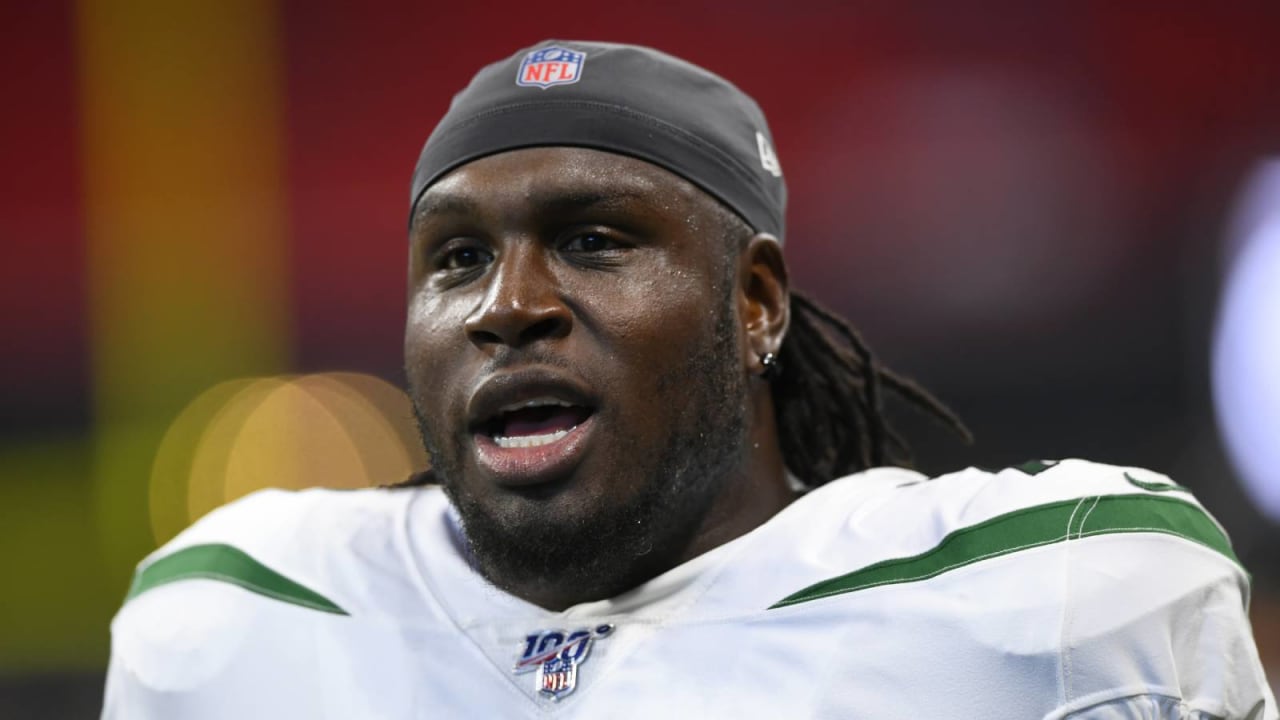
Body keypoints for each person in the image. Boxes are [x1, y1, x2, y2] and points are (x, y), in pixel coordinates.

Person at [102, 40, 1275, 718]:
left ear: (753, 305)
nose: (506, 305)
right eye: (455, 258)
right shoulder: (236, 620)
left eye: (592, 241)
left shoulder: (1059, 601)